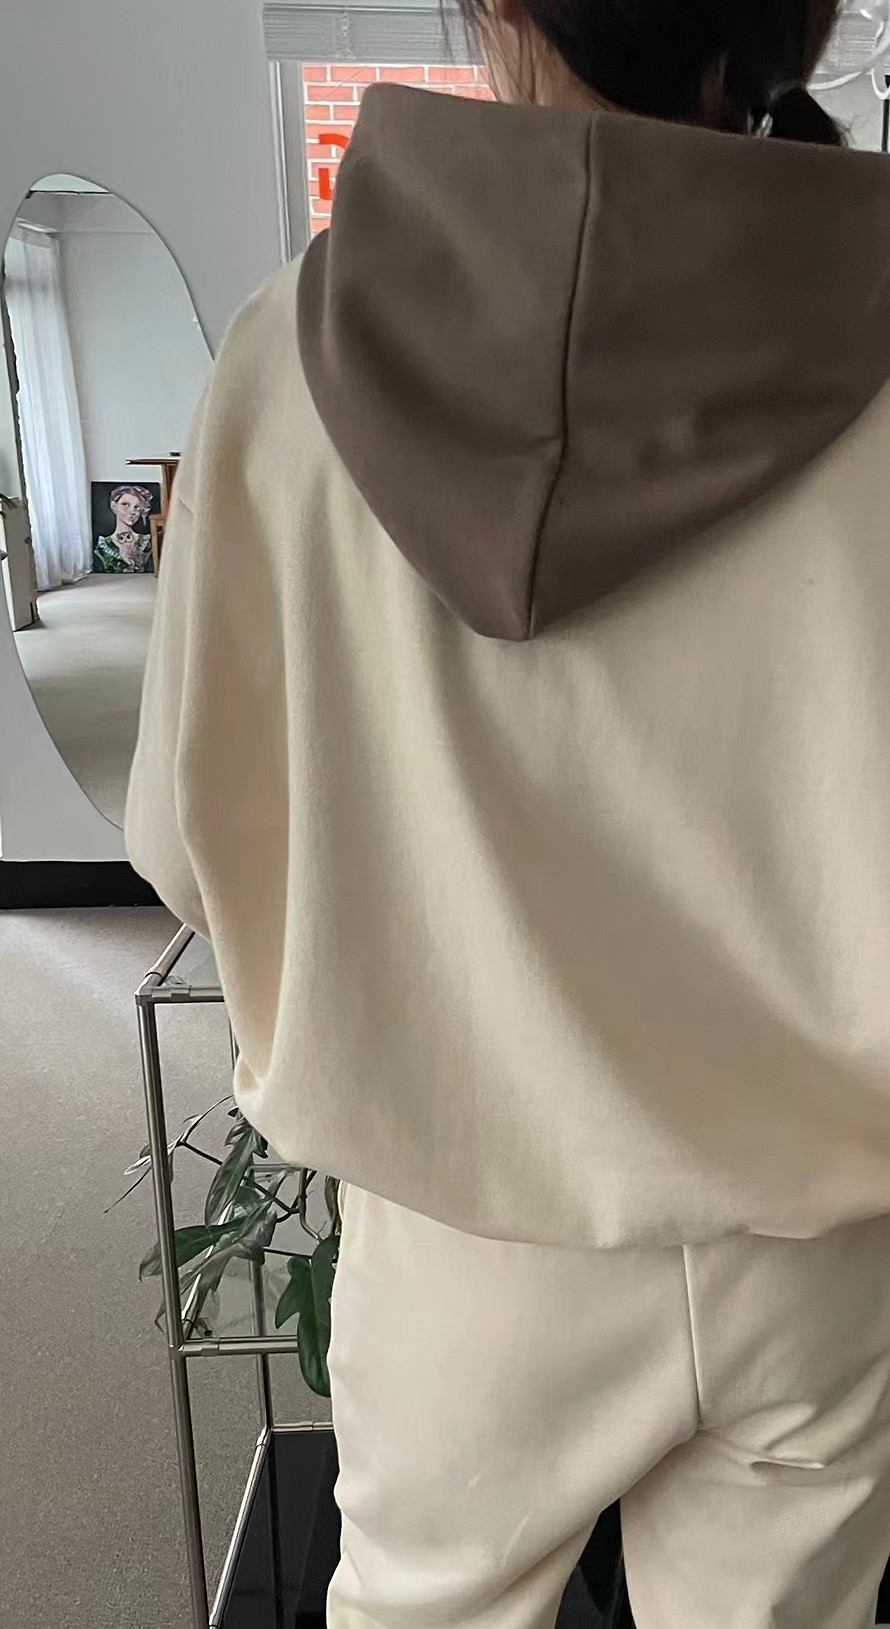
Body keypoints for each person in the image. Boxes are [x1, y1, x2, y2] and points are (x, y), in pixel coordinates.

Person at [126, 2, 890, 1623]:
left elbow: (184, 840)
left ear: (492, 8)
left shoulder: (282, 357)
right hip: (825, 1221)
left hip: (464, 1220)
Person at [93, 484, 154, 573]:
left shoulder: (147, 542)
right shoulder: (103, 546)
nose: (132, 511)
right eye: (125, 505)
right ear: (114, 506)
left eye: (136, 507)